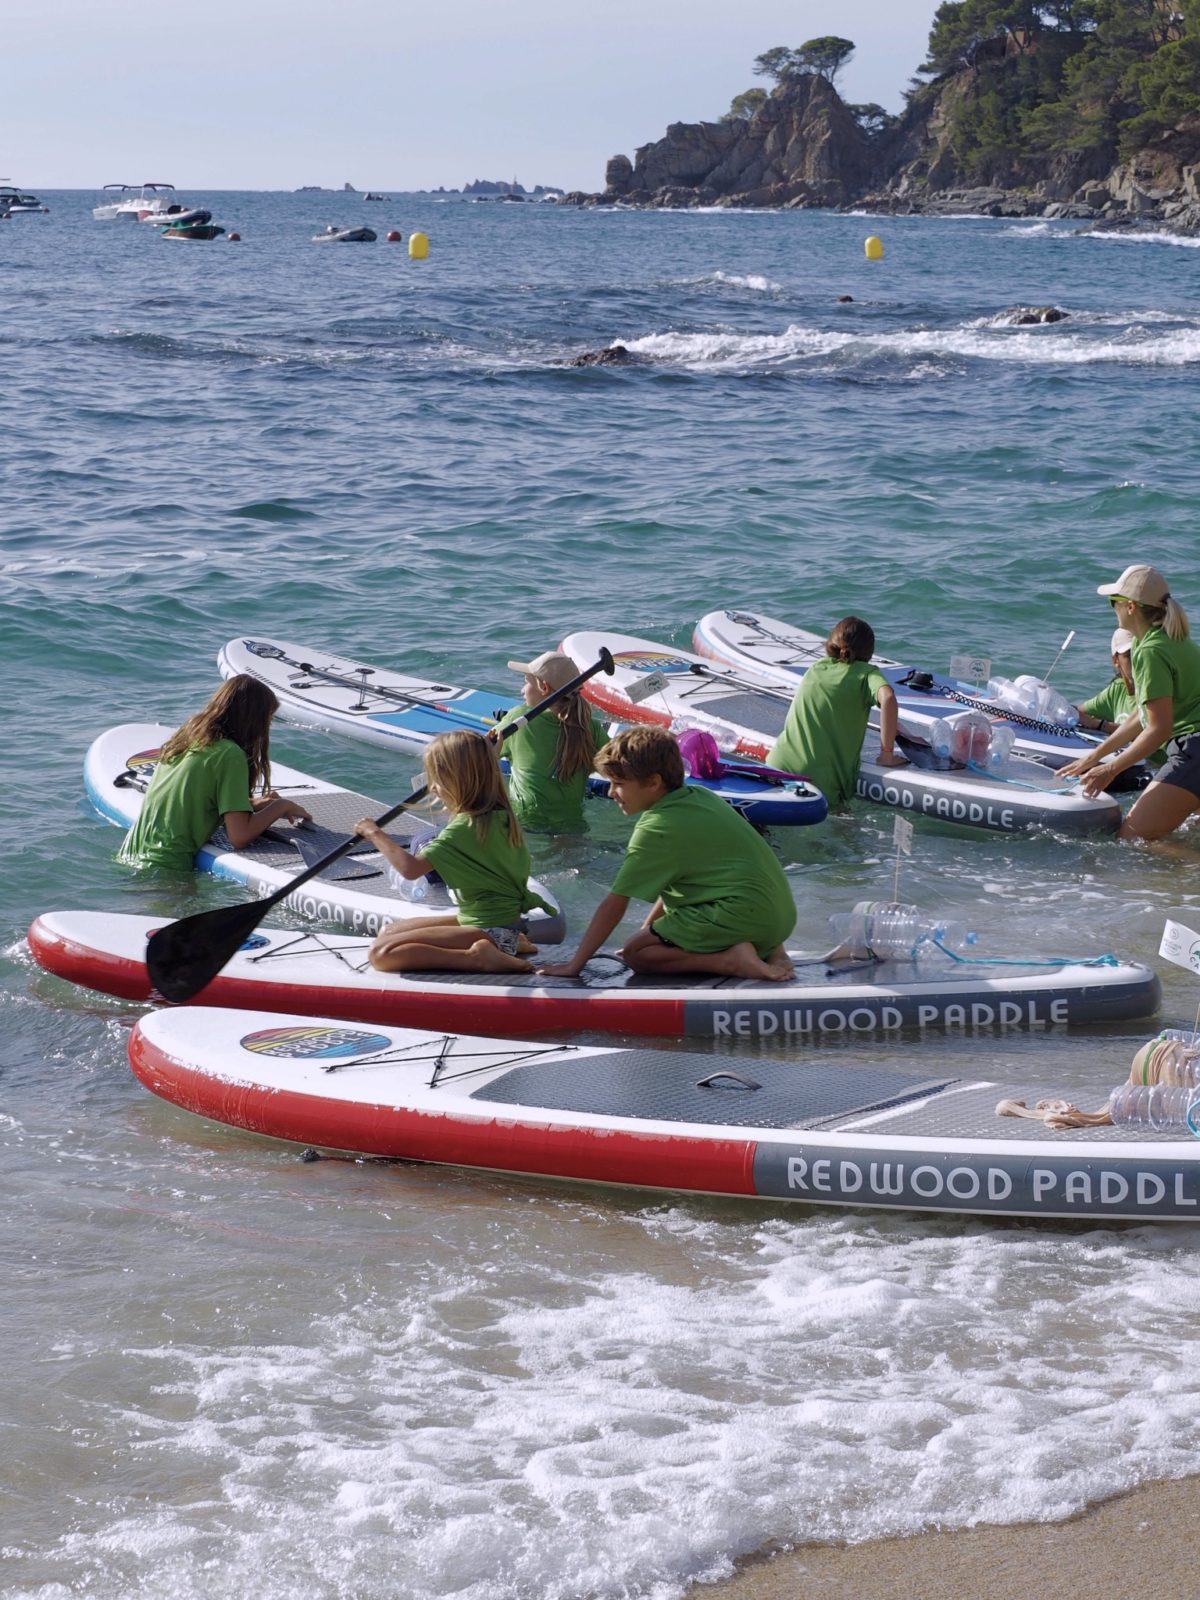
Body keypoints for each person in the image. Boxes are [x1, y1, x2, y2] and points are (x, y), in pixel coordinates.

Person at [539, 726, 797, 981]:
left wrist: (575, 965)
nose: (611, 792)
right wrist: (648, 933)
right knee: (648, 939)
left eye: (618, 783)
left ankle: (730, 961)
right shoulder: (700, 796)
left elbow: (615, 904)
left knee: (637, 955)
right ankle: (771, 951)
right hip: (778, 921)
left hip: (740, 918)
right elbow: (677, 880)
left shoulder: (657, 827)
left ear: (653, 782)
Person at [353, 728, 554, 973]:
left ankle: (479, 956)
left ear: (457, 779)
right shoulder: (500, 811)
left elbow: (410, 869)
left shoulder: (462, 829)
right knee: (388, 931)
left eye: (436, 778)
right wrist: (488, 754)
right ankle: (510, 943)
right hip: (495, 921)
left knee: (382, 954)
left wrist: (373, 832)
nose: (433, 788)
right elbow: (482, 771)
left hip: (491, 927)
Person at [1059, 564, 1200, 841]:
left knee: (1134, 840)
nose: (1113, 608)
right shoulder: (1174, 640)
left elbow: (1158, 728)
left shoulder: (1150, 650)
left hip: (1194, 750)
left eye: (1115, 602)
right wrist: (1094, 757)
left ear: (1131, 607)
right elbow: (1141, 717)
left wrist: (1111, 769)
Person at [119, 675, 312, 871]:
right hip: (165, 868)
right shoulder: (230, 754)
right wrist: (281, 806)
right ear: (253, 719)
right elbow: (239, 836)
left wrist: (252, 805)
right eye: (267, 721)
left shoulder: (187, 739)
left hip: (131, 855)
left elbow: (195, 802)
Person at [765, 615, 905, 807]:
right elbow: (888, 698)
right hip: (819, 779)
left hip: (778, 764)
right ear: (869, 650)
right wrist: (886, 755)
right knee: (841, 828)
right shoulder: (866, 674)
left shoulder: (817, 667)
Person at [494, 651, 608, 832]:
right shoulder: (590, 727)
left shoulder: (518, 719)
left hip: (525, 825)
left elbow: (482, 754)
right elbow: (619, 766)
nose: (522, 689)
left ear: (544, 687)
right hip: (572, 827)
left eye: (526, 681)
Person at [1076, 628, 1136, 734]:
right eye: (1129, 655)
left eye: (1140, 654)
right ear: (1116, 660)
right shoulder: (1117, 689)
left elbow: (1148, 732)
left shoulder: (1155, 689)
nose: (1137, 660)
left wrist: (1098, 724)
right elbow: (1079, 712)